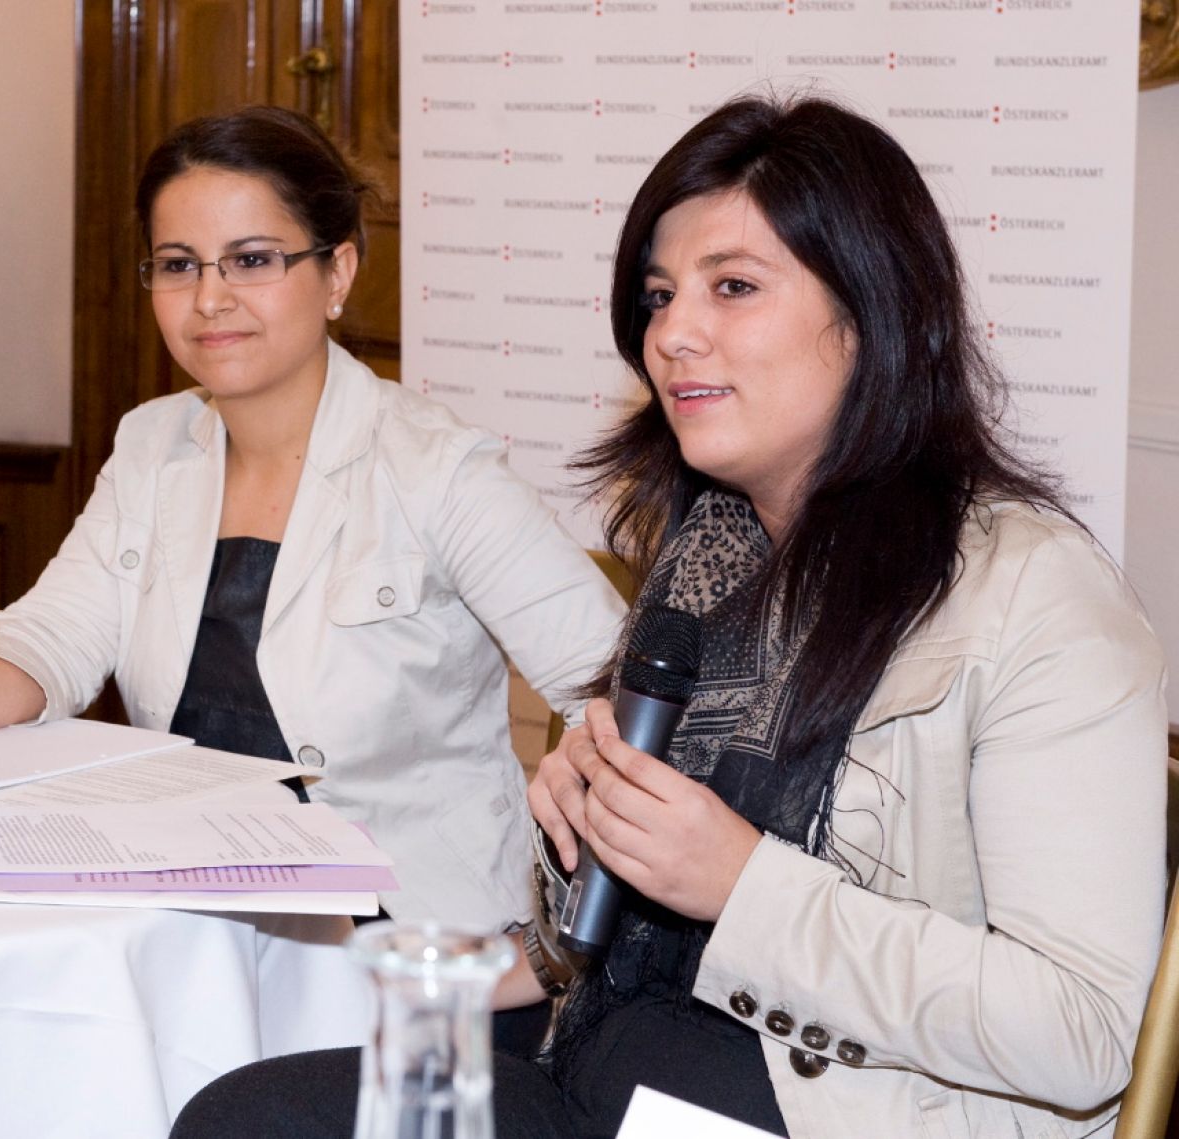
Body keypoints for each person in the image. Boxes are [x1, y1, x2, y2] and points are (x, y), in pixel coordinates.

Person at [171, 94, 1168, 1139]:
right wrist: (585, 835)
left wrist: (741, 881)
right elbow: (619, 938)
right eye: (656, 297)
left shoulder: (1035, 599)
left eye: (731, 287)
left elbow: (1080, 1031)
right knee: (247, 1112)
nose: (671, 335)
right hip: (603, 1074)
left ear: (873, 309)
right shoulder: (709, 559)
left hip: (827, 1115)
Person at [0, 105, 625, 1026]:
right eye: (179, 265)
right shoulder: (153, 445)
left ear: (338, 270)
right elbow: (54, 635)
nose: (210, 299)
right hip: (196, 939)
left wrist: (550, 952)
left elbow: (620, 692)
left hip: (412, 968)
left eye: (254, 259)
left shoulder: (439, 470)